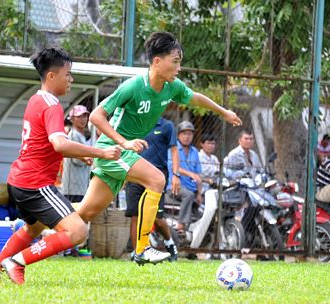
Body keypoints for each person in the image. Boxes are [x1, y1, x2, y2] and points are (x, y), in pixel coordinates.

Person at [76, 31, 242, 266]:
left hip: (123, 153)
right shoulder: (134, 86)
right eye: (175, 62)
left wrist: (223, 112)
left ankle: (35, 222)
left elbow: (194, 98)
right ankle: (142, 248)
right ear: (156, 61)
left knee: (85, 213)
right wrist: (123, 143)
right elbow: (96, 116)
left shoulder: (172, 86)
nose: (179, 68)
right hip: (112, 149)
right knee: (156, 179)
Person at [0, 47, 121, 285]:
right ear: (51, 76)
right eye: (68, 74)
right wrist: (101, 152)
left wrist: (82, 154)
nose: (71, 79)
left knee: (32, 229)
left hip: (18, 180)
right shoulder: (52, 105)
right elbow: (59, 144)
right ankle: (16, 263)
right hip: (35, 184)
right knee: (78, 232)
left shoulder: (36, 99)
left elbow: (45, 145)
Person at [125, 117, 180, 261]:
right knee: (135, 215)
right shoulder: (136, 122)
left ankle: (169, 242)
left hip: (156, 178)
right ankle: (138, 252)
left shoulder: (167, 126)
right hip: (135, 173)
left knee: (156, 219)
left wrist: (176, 174)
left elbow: (174, 151)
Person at [167, 121, 202, 234]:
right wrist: (190, 174)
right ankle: (181, 225)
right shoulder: (173, 149)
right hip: (175, 187)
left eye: (190, 134)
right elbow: (174, 167)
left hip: (191, 188)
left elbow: (198, 174)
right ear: (178, 135)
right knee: (188, 195)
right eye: (184, 134)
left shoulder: (195, 151)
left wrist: (200, 193)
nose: (187, 137)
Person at [61, 105, 92, 203]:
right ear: (72, 119)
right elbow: (76, 159)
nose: (83, 119)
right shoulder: (74, 135)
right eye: (79, 117)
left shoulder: (82, 135)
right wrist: (89, 158)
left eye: (85, 116)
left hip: (81, 186)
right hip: (73, 186)